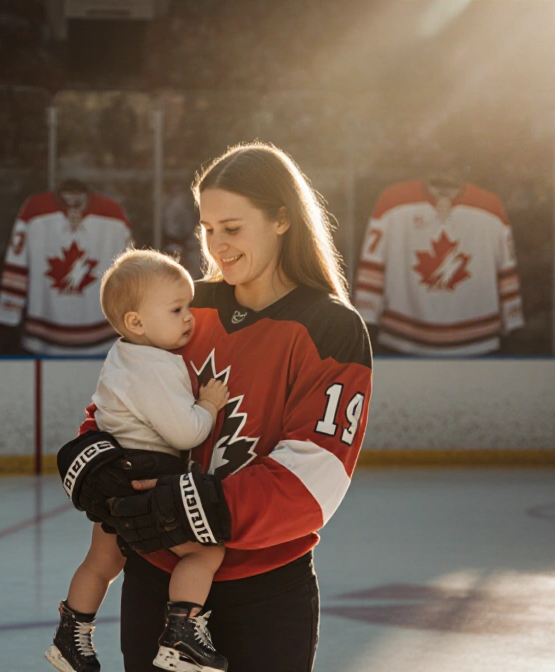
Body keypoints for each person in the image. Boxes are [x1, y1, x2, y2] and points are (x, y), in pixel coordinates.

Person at [58, 142, 373, 672]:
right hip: (158, 578)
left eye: (232, 228)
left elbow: (315, 477)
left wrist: (202, 508)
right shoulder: (185, 308)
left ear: (281, 220)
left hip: (266, 593)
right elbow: (121, 403)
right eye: (207, 229)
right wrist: (96, 458)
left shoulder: (331, 329)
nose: (216, 245)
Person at [49, 249, 232, 672]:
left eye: (187, 306)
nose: (189, 317)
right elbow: (185, 432)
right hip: (147, 476)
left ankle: (70, 636)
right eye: (176, 309)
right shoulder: (155, 366)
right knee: (205, 553)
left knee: (102, 562)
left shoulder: (122, 355)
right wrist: (207, 403)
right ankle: (181, 635)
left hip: (114, 472)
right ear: (137, 322)